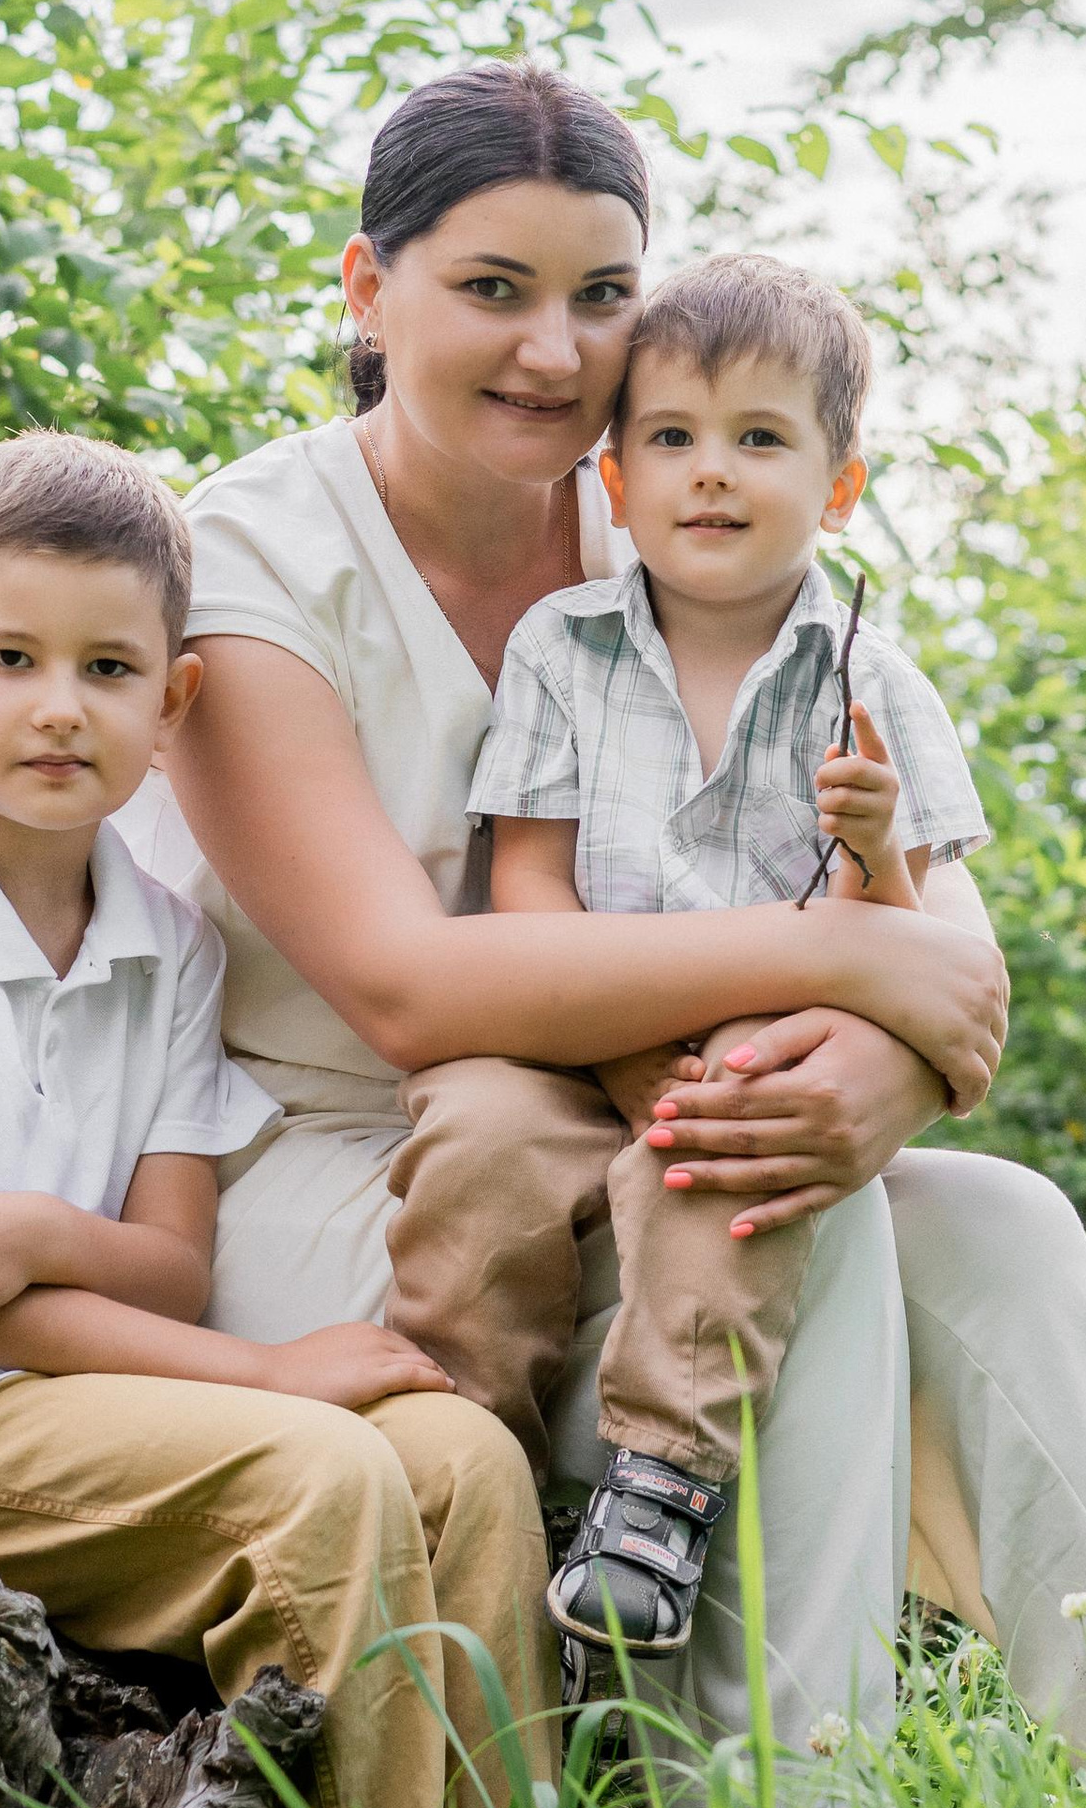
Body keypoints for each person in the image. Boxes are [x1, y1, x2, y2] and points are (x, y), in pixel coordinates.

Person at [137, 61, 1086, 1768]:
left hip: (664, 1104)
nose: (553, 349)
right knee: (785, 1214)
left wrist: (877, 1082)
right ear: (368, 291)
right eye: (491, 290)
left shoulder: (681, 510)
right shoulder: (248, 558)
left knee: (1004, 1230)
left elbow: (952, 958)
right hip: (353, 1164)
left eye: (601, 298)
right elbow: (402, 989)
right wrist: (836, 965)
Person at [0, 428, 557, 1808]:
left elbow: (164, 1258)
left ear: (175, 703)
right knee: (328, 1477)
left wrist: (29, 1230)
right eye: (10, 660)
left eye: (108, 671)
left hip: (76, 1391)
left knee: (463, 1460)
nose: (58, 708)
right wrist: (263, 1376)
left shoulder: (168, 941)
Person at [402, 250, 952, 1669]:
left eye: (760, 440)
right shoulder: (564, 647)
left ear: (840, 488)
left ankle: (657, 1488)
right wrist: (611, 1041)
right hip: (569, 1031)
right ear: (613, 480)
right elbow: (524, 882)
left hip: (747, 1058)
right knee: (474, 1141)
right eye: (672, 439)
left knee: (723, 1176)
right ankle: (464, 1456)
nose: (711, 474)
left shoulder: (868, 678)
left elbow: (910, 941)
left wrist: (879, 845)